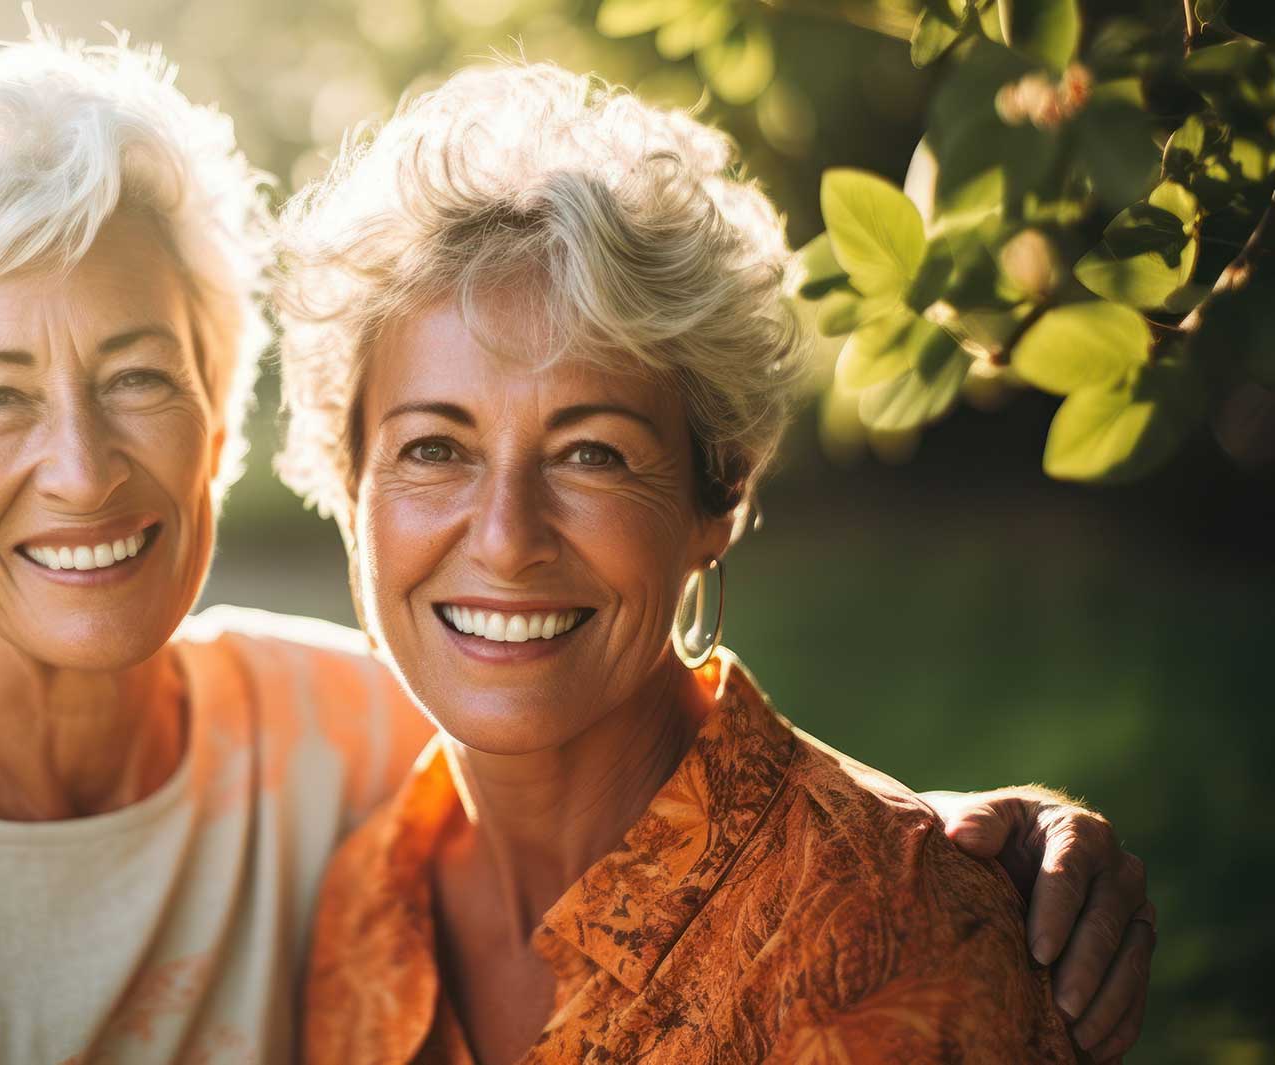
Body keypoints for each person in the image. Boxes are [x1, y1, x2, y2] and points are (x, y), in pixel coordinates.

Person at [0, 20, 1150, 1065]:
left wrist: (951, 852)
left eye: (139, 374)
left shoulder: (329, 748)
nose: (80, 467)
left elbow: (708, 812)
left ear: (224, 419)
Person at [282, 62, 1151, 1063]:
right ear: (346, 485)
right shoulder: (355, 908)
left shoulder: (896, 939)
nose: (505, 537)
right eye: (434, 448)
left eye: (591, 453)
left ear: (719, 496)